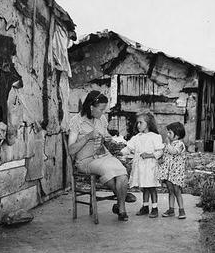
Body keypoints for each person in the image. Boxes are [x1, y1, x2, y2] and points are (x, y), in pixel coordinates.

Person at [68, 90, 129, 221]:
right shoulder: (76, 121)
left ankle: (120, 204)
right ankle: (122, 204)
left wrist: (110, 140)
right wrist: (88, 137)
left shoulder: (101, 119)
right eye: (101, 109)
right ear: (91, 107)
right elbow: (71, 150)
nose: (103, 113)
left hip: (103, 155)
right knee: (111, 171)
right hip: (86, 161)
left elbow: (106, 136)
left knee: (122, 174)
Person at [120, 111, 163, 218]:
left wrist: (149, 155)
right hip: (140, 167)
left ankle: (154, 208)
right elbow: (128, 148)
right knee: (144, 187)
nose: (138, 125)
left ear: (148, 123)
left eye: (140, 123)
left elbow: (160, 151)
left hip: (150, 167)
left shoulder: (155, 137)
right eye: (137, 123)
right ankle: (145, 206)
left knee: (151, 187)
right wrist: (120, 152)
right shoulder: (137, 137)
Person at [157, 122, 187, 219]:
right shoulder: (167, 145)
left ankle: (181, 210)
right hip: (168, 173)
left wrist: (168, 144)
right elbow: (164, 154)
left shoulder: (180, 144)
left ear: (177, 135)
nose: (167, 135)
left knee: (177, 190)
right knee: (170, 191)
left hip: (176, 173)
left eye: (170, 133)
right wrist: (161, 159)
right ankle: (171, 209)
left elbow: (173, 151)